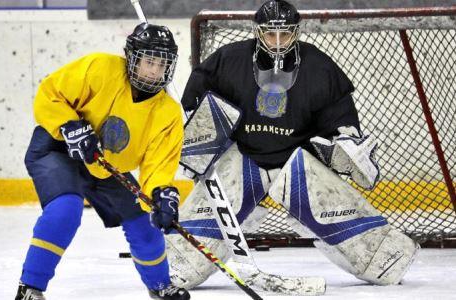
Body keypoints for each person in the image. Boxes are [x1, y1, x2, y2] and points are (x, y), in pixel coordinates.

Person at [169, 0, 417, 291]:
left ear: (296, 32)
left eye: (284, 34)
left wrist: (346, 147)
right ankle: (185, 254)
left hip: (296, 164)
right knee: (179, 269)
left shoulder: (319, 67)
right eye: (270, 34)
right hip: (244, 159)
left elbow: (340, 123)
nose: (277, 42)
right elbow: (194, 108)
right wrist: (197, 142)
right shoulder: (229, 60)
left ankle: (379, 253)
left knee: (386, 262)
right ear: (257, 32)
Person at [15, 22, 189, 300]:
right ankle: (30, 288)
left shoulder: (168, 113)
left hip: (104, 165)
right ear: (133, 58)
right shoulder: (100, 68)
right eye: (149, 61)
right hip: (57, 148)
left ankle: (160, 286)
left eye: (162, 63)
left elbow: (157, 166)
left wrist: (160, 194)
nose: (155, 70)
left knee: (145, 222)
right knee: (65, 210)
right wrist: (70, 126)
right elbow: (49, 94)